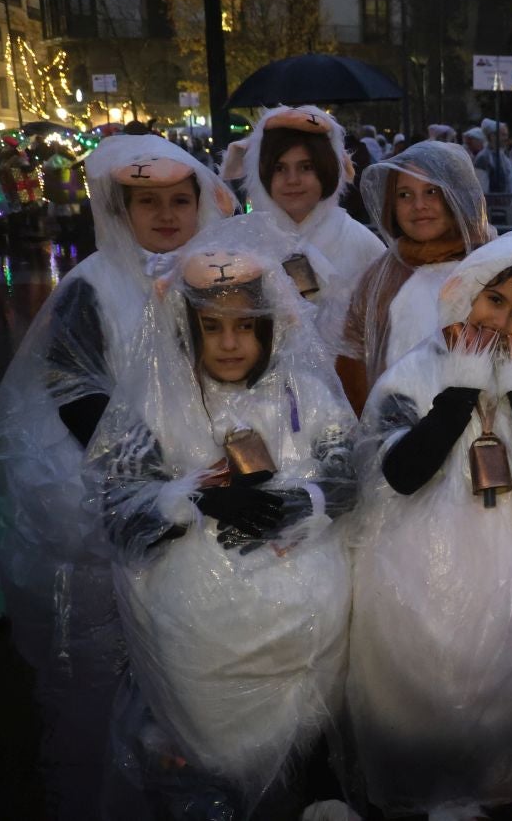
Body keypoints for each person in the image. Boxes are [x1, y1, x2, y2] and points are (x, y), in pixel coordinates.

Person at [0, 135, 237, 819]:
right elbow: (73, 389)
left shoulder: (222, 272)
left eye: (179, 200)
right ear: (119, 208)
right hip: (120, 490)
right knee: (130, 649)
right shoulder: (91, 285)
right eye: (146, 202)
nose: (164, 214)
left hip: (214, 481)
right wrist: (140, 468)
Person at [92, 219, 355, 817]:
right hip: (199, 647)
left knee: (304, 752)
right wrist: (193, 499)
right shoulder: (155, 405)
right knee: (209, 769)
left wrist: (303, 502)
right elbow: (116, 508)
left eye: (244, 327)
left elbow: (346, 473)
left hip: (304, 637)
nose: (230, 343)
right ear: (187, 328)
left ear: (271, 328)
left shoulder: (306, 396)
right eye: (212, 327)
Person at [347, 230, 512, 818]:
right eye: (493, 299)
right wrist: (458, 396)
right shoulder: (409, 377)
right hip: (421, 573)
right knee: (434, 700)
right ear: (465, 292)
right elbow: (399, 474)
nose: (501, 320)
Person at [335, 140, 492, 416]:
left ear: (455, 194)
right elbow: (353, 361)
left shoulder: (497, 263)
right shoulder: (380, 277)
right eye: (404, 195)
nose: (419, 205)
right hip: (398, 438)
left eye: (431, 191)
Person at [219, 105, 385, 350]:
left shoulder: (363, 243)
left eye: (306, 167)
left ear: (326, 170)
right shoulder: (239, 243)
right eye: (279, 168)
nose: (292, 180)